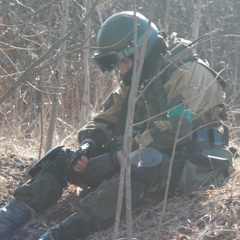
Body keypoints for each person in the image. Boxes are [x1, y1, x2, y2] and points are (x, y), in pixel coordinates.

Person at [0, 11, 233, 240]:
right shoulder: (136, 77)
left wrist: (118, 156)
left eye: (124, 62)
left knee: (143, 163)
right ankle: (10, 218)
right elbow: (106, 118)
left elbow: (175, 132)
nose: (121, 70)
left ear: (140, 53)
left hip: (190, 164)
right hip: (139, 153)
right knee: (61, 157)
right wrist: (89, 144)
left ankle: (61, 233)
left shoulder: (189, 73)